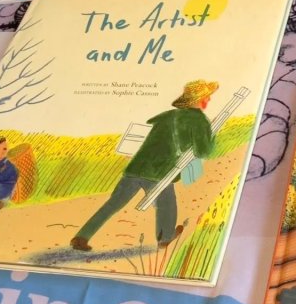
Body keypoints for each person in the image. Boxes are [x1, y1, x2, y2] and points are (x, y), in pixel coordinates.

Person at [70, 79, 217, 252]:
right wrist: (212, 135)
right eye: (207, 97)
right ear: (199, 99)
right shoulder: (199, 120)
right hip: (160, 171)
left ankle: (82, 236)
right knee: (166, 203)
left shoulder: (168, 116)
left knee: (113, 204)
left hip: (136, 168)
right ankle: (165, 238)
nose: (209, 100)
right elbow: (203, 151)